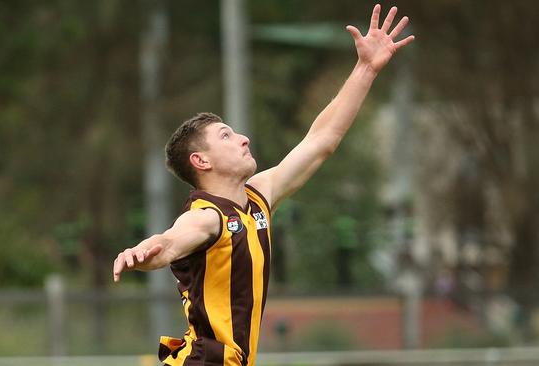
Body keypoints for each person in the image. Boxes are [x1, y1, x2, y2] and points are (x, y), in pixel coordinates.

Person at [112, 4, 414, 366]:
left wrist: (365, 69)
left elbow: (321, 141)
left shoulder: (258, 196)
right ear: (201, 161)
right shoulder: (206, 218)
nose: (242, 139)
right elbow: (171, 242)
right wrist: (143, 252)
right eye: (226, 135)